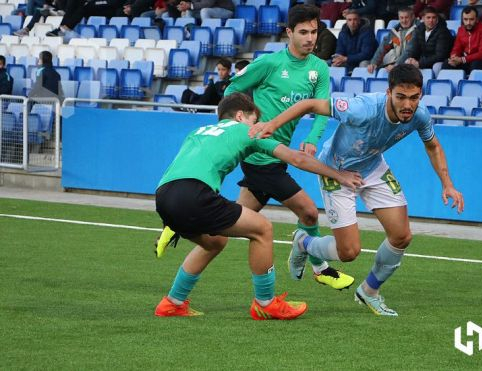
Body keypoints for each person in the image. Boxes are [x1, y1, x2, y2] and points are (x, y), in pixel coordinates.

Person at [249, 64, 464, 317]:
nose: (408, 104)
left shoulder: (420, 116)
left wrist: (447, 184)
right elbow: (310, 104)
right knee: (348, 252)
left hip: (372, 167)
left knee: (402, 236)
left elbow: (433, 146)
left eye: (414, 98)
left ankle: (369, 291)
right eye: (401, 97)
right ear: (388, 93)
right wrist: (272, 124)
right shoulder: (361, 109)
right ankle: (304, 242)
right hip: (336, 169)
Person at [153, 93, 363, 319]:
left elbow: (184, 169)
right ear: (240, 116)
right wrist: (339, 176)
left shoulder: (198, 132)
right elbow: (297, 159)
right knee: (263, 229)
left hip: (164, 196)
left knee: (214, 241)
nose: (258, 126)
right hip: (193, 194)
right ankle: (266, 303)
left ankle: (173, 303)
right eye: (254, 121)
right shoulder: (246, 131)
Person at [222, 4, 356, 290]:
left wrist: (312, 139)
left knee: (230, 222)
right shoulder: (269, 64)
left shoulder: (319, 68)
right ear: (289, 33)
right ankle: (319, 267)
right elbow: (231, 91)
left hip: (277, 156)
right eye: (304, 32)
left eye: (314, 32)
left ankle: (187, 222)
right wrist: (244, 124)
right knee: (308, 212)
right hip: (260, 154)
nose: (310, 38)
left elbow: (322, 109)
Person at [399, 6, 453, 77]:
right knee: (407, 62)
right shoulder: (419, 29)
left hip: (437, 63)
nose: (431, 20)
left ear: (437, 19)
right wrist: (411, 59)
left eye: (433, 17)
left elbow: (440, 56)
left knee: (436, 66)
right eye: (428, 18)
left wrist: (420, 63)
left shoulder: (443, 32)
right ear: (423, 18)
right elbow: (413, 49)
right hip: (423, 61)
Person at [445, 5, 482, 74]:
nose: (468, 23)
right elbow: (456, 48)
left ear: (477, 19)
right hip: (469, 62)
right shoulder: (461, 30)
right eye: (465, 19)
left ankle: (472, 84)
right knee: (447, 64)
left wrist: (463, 59)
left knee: (476, 64)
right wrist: (454, 57)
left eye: (471, 19)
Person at [367, 7, 417, 74]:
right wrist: (374, 63)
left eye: (406, 17)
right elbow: (383, 47)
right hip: (399, 63)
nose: (404, 20)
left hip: (413, 64)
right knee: (377, 70)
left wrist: (396, 65)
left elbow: (409, 51)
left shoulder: (418, 29)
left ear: (412, 17)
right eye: (401, 18)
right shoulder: (394, 31)